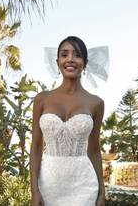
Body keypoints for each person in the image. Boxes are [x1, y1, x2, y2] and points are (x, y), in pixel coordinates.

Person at [30, 36, 106, 206]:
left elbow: (94, 150)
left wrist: (102, 191)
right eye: (64, 54)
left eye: (77, 55)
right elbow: (35, 147)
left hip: (84, 185)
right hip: (48, 184)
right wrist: (34, 190)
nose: (70, 59)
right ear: (57, 62)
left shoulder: (96, 103)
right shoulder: (42, 99)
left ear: (85, 63)